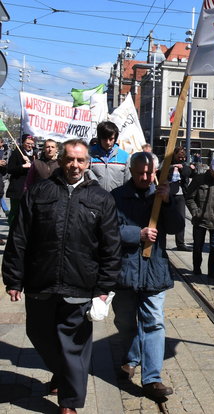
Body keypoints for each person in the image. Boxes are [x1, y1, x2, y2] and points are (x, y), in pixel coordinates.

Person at [3, 139, 121, 414]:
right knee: (38, 334)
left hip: (80, 285)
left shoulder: (101, 199)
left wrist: (105, 286)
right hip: (40, 281)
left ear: (88, 163)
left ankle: (69, 403)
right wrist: (13, 278)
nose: (75, 165)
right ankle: (61, 372)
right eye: (70, 159)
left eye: (81, 160)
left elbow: (111, 246)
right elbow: (19, 237)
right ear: (61, 161)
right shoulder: (40, 192)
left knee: (74, 347)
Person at [111, 152, 183, 400]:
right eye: (140, 172)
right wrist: (136, 234)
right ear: (131, 171)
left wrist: (169, 201)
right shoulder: (117, 197)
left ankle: (152, 379)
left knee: (154, 322)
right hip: (125, 270)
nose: (145, 177)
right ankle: (130, 358)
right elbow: (108, 232)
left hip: (154, 270)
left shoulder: (161, 195)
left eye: (149, 173)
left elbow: (176, 228)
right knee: (126, 321)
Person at [185, 158, 214, 279]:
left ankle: (212, 272)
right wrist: (196, 212)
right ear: (210, 168)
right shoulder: (199, 180)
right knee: (197, 246)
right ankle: (196, 269)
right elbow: (189, 198)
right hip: (200, 220)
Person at [89, 121, 131, 192]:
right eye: (105, 139)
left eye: (111, 139)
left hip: (117, 200)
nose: (108, 142)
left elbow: (128, 183)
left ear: (115, 138)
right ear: (99, 138)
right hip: (95, 199)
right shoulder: (89, 155)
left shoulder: (125, 157)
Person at [6, 135, 36, 229]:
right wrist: (22, 166)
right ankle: (12, 230)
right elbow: (9, 169)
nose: (30, 146)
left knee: (27, 211)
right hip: (18, 188)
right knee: (15, 211)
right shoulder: (16, 153)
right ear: (23, 143)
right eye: (27, 143)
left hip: (30, 188)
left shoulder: (34, 154)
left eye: (31, 144)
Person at [169, 147, 193, 251]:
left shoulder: (184, 164)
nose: (181, 159)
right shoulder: (167, 162)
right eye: (179, 157)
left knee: (181, 219)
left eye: (183, 158)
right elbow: (161, 173)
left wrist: (182, 168)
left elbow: (188, 173)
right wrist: (172, 168)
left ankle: (180, 243)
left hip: (180, 194)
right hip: (168, 193)